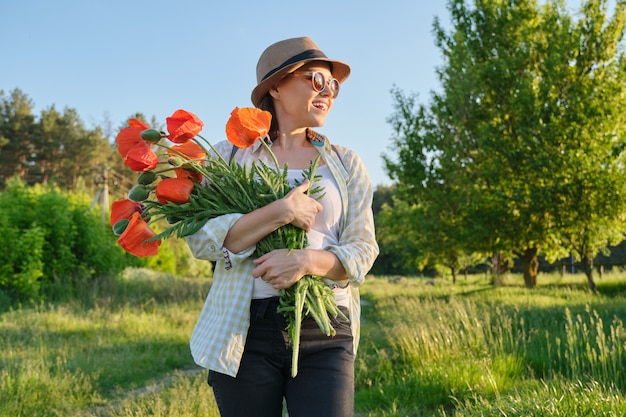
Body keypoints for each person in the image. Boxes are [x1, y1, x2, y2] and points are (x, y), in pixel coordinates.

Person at [185, 36, 379, 417]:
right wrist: (282, 211)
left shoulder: (346, 162)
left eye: (333, 84)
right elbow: (201, 241)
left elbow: (362, 249)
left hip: (325, 329)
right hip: (244, 329)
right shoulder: (230, 157)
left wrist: (307, 261)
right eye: (315, 80)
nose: (328, 92)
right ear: (275, 86)